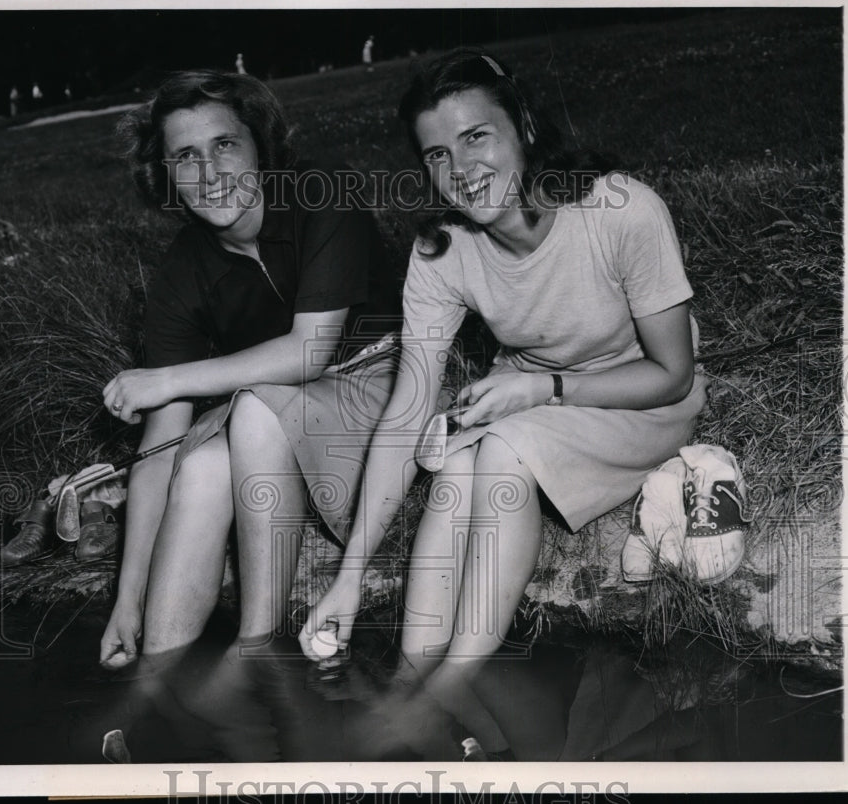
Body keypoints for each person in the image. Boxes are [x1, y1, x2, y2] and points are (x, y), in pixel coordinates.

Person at [301, 48, 708, 759]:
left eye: (476, 137)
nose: (459, 170)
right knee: (454, 467)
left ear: (521, 124)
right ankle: (408, 676)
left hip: (640, 398)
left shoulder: (620, 209)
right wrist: (349, 576)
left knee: (505, 450)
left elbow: (672, 374)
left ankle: (456, 675)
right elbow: (404, 414)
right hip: (533, 391)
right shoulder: (442, 252)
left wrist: (543, 389)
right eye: (435, 154)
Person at [98, 69, 401, 678]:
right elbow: (159, 446)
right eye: (186, 156)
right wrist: (125, 598)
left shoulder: (322, 192)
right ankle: (154, 675)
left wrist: (169, 379)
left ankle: (255, 643)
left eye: (225, 145)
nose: (209, 174)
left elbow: (309, 353)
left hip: (380, 378)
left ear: (260, 144)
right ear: (166, 177)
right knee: (202, 464)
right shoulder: (183, 266)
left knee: (255, 412)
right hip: (275, 403)